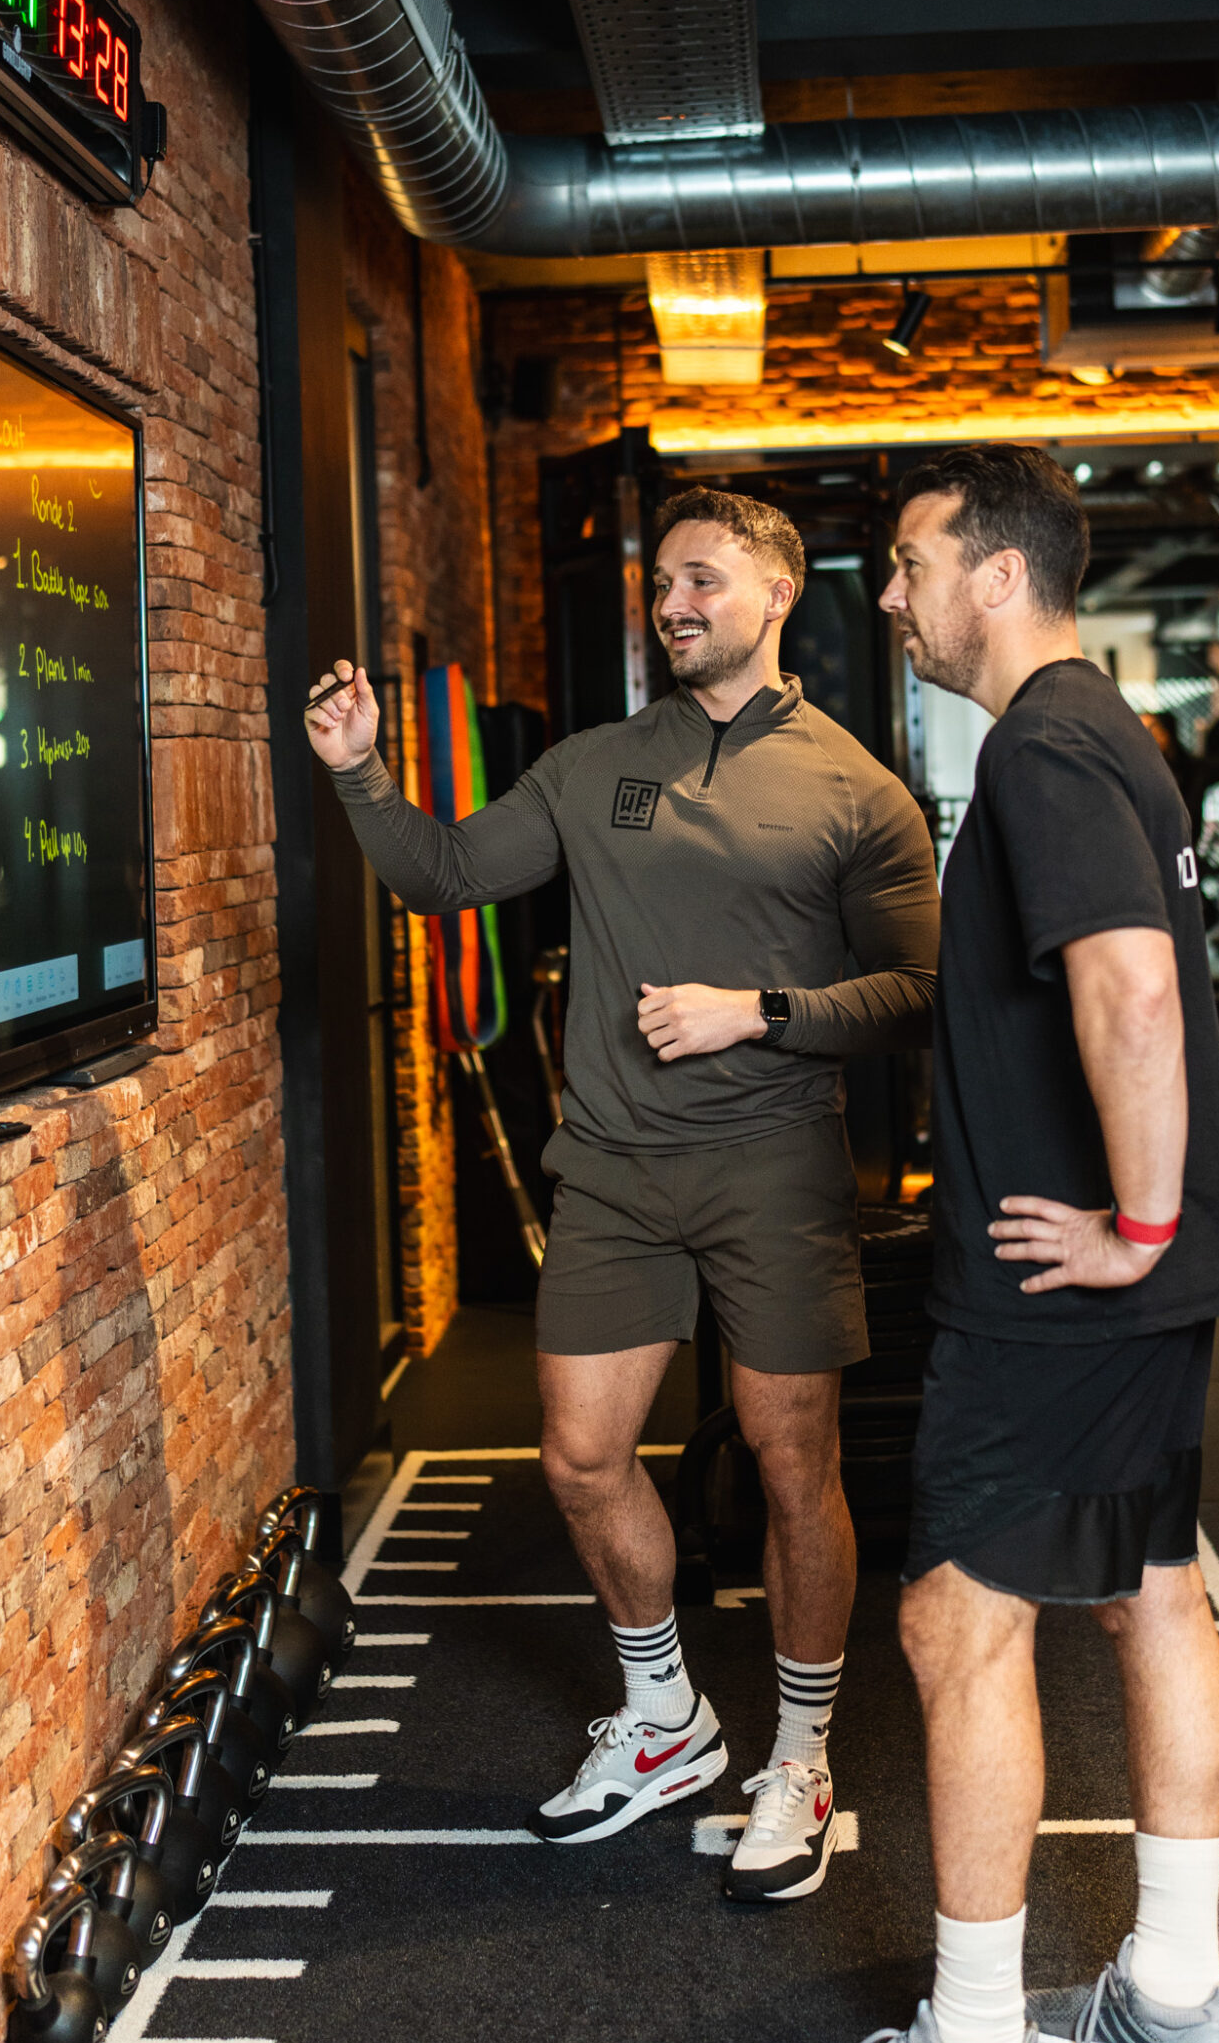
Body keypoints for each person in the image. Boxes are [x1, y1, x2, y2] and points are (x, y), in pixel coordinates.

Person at [305, 487, 939, 1902]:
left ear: (775, 594)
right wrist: (359, 771)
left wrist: (756, 1011)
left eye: (703, 581)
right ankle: (667, 1719)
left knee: (793, 1468)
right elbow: (449, 874)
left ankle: (805, 1752)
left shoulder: (855, 789)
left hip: (774, 1167)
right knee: (582, 1458)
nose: (673, 606)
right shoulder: (597, 767)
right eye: (663, 585)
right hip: (613, 1167)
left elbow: (916, 994)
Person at [771, 446, 1219, 2043]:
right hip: (1144, 1285)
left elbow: (1130, 991)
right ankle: (1178, 1998)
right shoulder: (1111, 732)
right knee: (1149, 1591)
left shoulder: (1045, 744)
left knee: (956, 1626)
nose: (888, 601)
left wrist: (1131, 1223)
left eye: (907, 564)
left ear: (996, 573)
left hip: (1071, 1287)